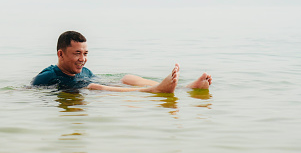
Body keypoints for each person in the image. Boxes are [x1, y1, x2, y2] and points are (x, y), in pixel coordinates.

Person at [31, 30, 212, 93]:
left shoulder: (85, 72)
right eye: (77, 53)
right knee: (94, 87)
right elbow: (29, 90)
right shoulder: (47, 76)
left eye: (85, 53)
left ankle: (185, 88)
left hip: (95, 87)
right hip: (84, 93)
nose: (83, 59)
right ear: (60, 54)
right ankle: (156, 90)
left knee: (127, 78)